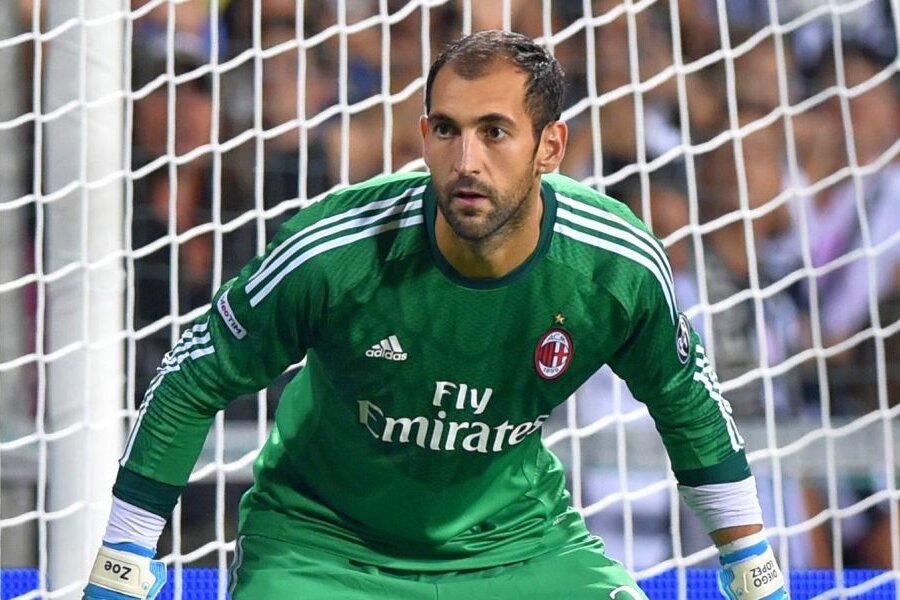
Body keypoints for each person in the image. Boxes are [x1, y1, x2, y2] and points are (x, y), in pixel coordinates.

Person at [83, 30, 788, 599]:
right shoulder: (334, 250)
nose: (466, 160)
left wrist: (753, 569)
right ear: (423, 136)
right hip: (325, 545)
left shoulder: (614, 265)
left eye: (494, 132)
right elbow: (192, 378)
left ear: (550, 146)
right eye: (447, 130)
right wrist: (124, 559)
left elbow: (687, 403)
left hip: (514, 542)